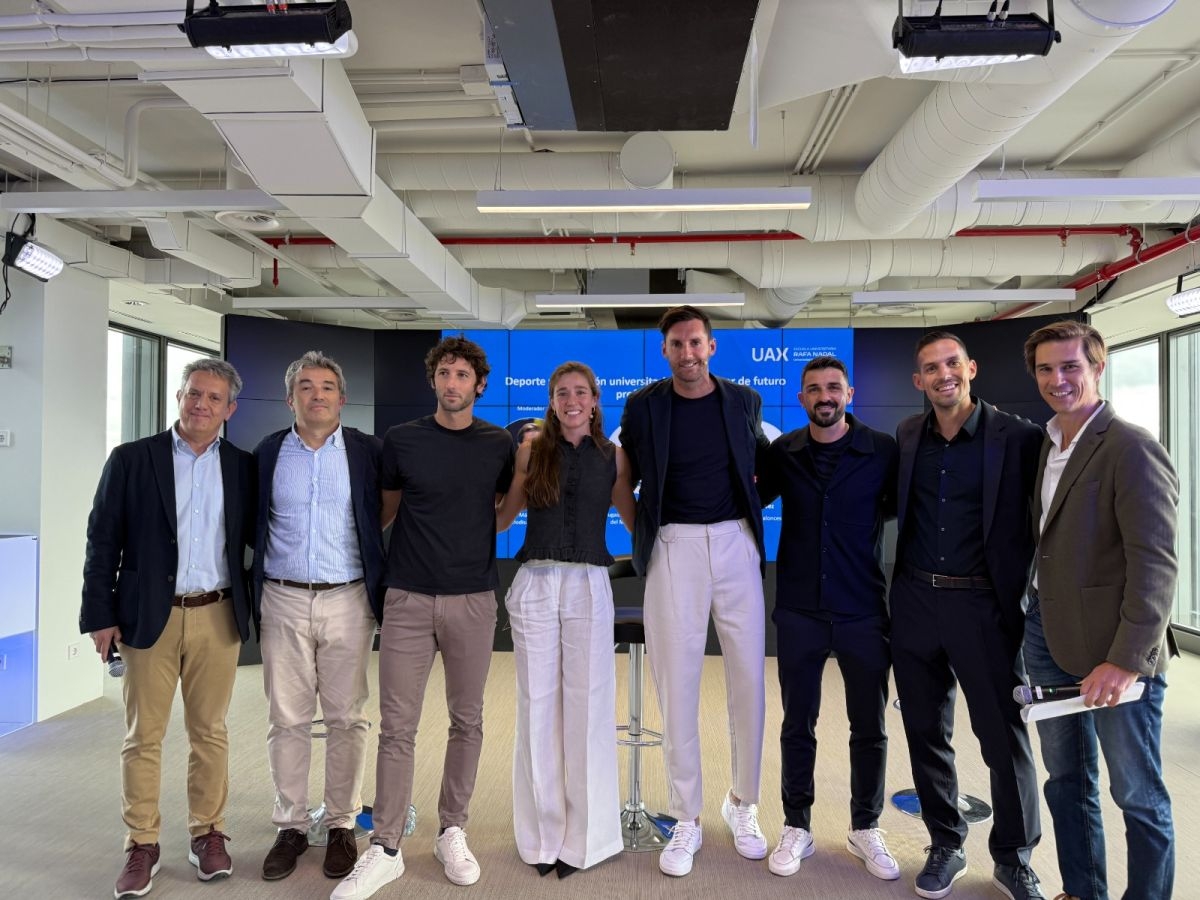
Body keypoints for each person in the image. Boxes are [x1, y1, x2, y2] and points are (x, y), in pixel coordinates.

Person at [332, 335, 514, 900]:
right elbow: (383, 514)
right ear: (433, 380)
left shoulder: (498, 444)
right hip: (408, 599)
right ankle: (385, 846)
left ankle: (451, 830)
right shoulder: (403, 441)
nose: (453, 383)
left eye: (463, 375)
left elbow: (504, 515)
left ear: (478, 385)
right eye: (445, 374)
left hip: (472, 599)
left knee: (468, 720)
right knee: (398, 727)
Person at [80, 359, 254, 900]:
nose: (201, 404)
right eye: (193, 394)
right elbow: (102, 540)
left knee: (211, 733)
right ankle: (142, 842)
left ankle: (208, 833)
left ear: (230, 409)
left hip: (217, 614)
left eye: (213, 398)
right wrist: (99, 614)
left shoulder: (243, 467)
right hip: (145, 616)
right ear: (179, 396)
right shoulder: (132, 459)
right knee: (143, 736)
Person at [1020, 321, 1178, 900]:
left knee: (1137, 793)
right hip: (1049, 638)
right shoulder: (1050, 442)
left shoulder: (1131, 447)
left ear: (1097, 367)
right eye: (1045, 369)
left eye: (1070, 367)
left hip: (1117, 653)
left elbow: (1156, 565)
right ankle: (1084, 891)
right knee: (1067, 781)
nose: (1057, 380)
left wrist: (1126, 660)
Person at [891, 331, 1046, 900]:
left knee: (1003, 740)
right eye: (930, 368)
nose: (942, 375)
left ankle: (1014, 857)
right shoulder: (909, 436)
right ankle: (946, 842)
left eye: (951, 363)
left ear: (972, 368)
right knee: (926, 732)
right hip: (914, 604)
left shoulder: (1021, 439)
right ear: (919, 381)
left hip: (984, 606)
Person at [618, 305, 771, 878]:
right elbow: (624, 480)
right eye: (677, 344)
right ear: (665, 351)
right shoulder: (643, 407)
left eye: (696, 343)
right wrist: (647, 540)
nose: (687, 353)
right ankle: (686, 816)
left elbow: (757, 469)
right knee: (676, 682)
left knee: (749, 680)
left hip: (734, 543)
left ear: (712, 348)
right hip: (673, 545)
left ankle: (743, 803)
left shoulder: (742, 401)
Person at [756, 355, 901, 882]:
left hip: (863, 606)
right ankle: (797, 823)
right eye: (814, 389)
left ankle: (865, 825)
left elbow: (894, 507)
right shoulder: (783, 452)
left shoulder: (882, 450)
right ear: (801, 399)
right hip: (799, 608)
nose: (825, 396)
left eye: (833, 387)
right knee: (798, 724)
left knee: (870, 725)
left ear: (850, 393)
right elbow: (747, 502)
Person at [496, 361, 636, 878]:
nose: (572, 400)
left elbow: (631, 518)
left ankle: (586, 840)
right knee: (537, 708)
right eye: (562, 393)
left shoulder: (614, 457)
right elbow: (505, 515)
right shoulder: (532, 450)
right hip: (535, 582)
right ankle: (541, 839)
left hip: (588, 587)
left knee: (589, 708)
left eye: (581, 392)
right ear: (552, 401)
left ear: (596, 401)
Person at [253, 351, 386, 884]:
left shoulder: (366, 452)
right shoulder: (267, 453)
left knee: (346, 717)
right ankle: (289, 826)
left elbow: (386, 508)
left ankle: (339, 824)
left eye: (327, 386)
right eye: (306, 387)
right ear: (291, 399)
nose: (317, 395)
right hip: (282, 596)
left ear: (341, 397)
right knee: (286, 717)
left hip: (349, 598)